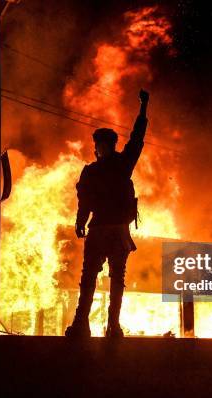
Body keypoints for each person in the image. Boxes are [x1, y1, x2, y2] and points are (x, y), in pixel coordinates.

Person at [65, 89, 149, 338]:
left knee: (96, 278)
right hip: (112, 231)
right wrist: (144, 106)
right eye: (101, 145)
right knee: (107, 279)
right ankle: (101, 325)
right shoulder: (117, 166)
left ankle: (93, 324)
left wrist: (80, 222)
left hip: (105, 230)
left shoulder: (97, 170)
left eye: (101, 145)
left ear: (102, 147)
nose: (100, 149)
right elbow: (137, 138)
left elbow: (85, 200)